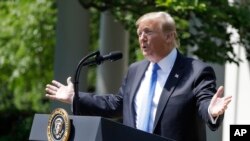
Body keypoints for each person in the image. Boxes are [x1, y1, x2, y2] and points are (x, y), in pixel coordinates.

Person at [45, 11, 232, 141]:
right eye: (139, 33)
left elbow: (204, 102)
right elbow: (116, 104)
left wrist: (211, 111)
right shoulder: (135, 70)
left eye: (148, 32)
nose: (141, 38)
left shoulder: (196, 71)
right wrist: (74, 97)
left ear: (169, 36)